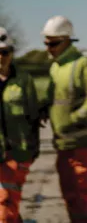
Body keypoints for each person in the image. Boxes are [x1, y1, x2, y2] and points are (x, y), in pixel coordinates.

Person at [41, 16, 87, 223]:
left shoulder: (82, 65)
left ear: (67, 40)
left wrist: (71, 120)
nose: (48, 48)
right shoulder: (55, 67)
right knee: (71, 198)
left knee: (79, 200)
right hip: (63, 143)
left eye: (53, 43)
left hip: (82, 145)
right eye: (46, 43)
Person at [0, 28, 40, 222]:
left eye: (4, 52)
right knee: (6, 204)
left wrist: (33, 149)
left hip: (17, 152)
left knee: (8, 202)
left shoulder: (24, 80)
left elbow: (33, 117)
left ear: (11, 52)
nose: (1, 57)